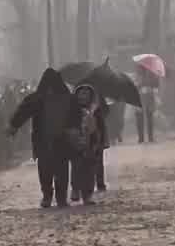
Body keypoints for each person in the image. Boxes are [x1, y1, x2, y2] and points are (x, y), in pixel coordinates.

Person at [9, 67, 73, 208]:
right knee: (53, 170)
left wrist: (13, 126)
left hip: (54, 140)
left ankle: (52, 197)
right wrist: (14, 126)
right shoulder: (62, 98)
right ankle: (54, 197)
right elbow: (24, 111)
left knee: (51, 170)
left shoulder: (43, 98)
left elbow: (23, 111)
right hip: (48, 140)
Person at [68, 81, 104, 204]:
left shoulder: (95, 109)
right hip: (76, 143)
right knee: (76, 167)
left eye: (86, 94)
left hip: (91, 143)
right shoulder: (72, 109)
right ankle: (75, 189)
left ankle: (87, 195)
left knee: (89, 170)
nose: (83, 96)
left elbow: (101, 126)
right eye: (81, 93)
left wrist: (100, 143)